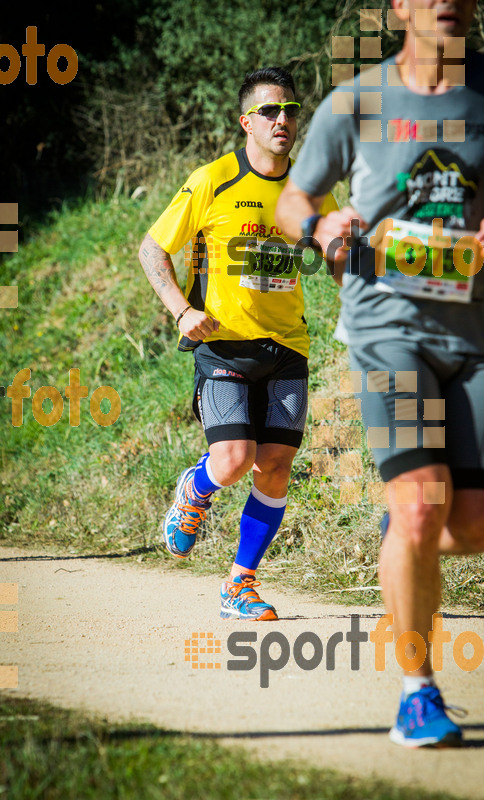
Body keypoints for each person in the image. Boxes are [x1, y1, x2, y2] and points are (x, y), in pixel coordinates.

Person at [275, 0, 484, 746]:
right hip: (385, 328)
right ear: (399, 7)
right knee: (424, 503)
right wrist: (319, 225)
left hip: (474, 334)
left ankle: (404, 540)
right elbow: (296, 196)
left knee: (480, 526)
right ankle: (417, 693)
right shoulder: (355, 100)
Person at [139, 66, 337, 621]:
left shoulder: (309, 189)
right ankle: (196, 489)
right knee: (232, 460)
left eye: (292, 110)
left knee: (273, 466)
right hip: (222, 346)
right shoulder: (211, 180)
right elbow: (152, 250)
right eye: (271, 111)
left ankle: (239, 586)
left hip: (287, 346)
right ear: (246, 121)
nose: (283, 119)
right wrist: (182, 310)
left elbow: (335, 256)